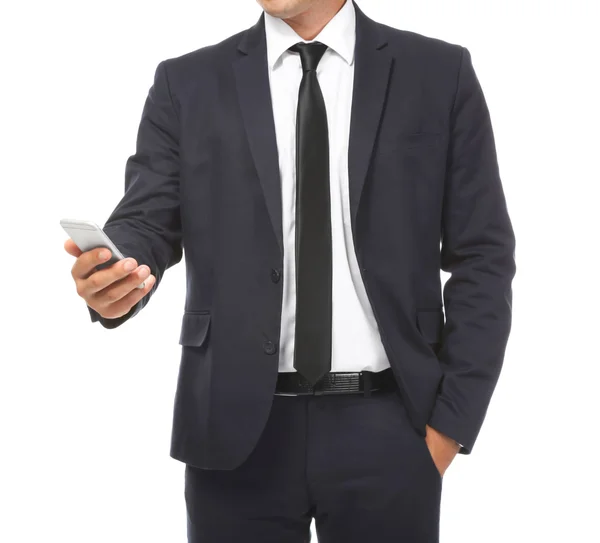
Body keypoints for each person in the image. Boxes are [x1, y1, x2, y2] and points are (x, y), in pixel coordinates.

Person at [64, 0, 516, 541]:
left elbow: (483, 255)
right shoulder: (187, 82)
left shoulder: (440, 73)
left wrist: (450, 425)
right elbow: (146, 221)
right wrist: (117, 273)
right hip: (231, 432)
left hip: (392, 426)